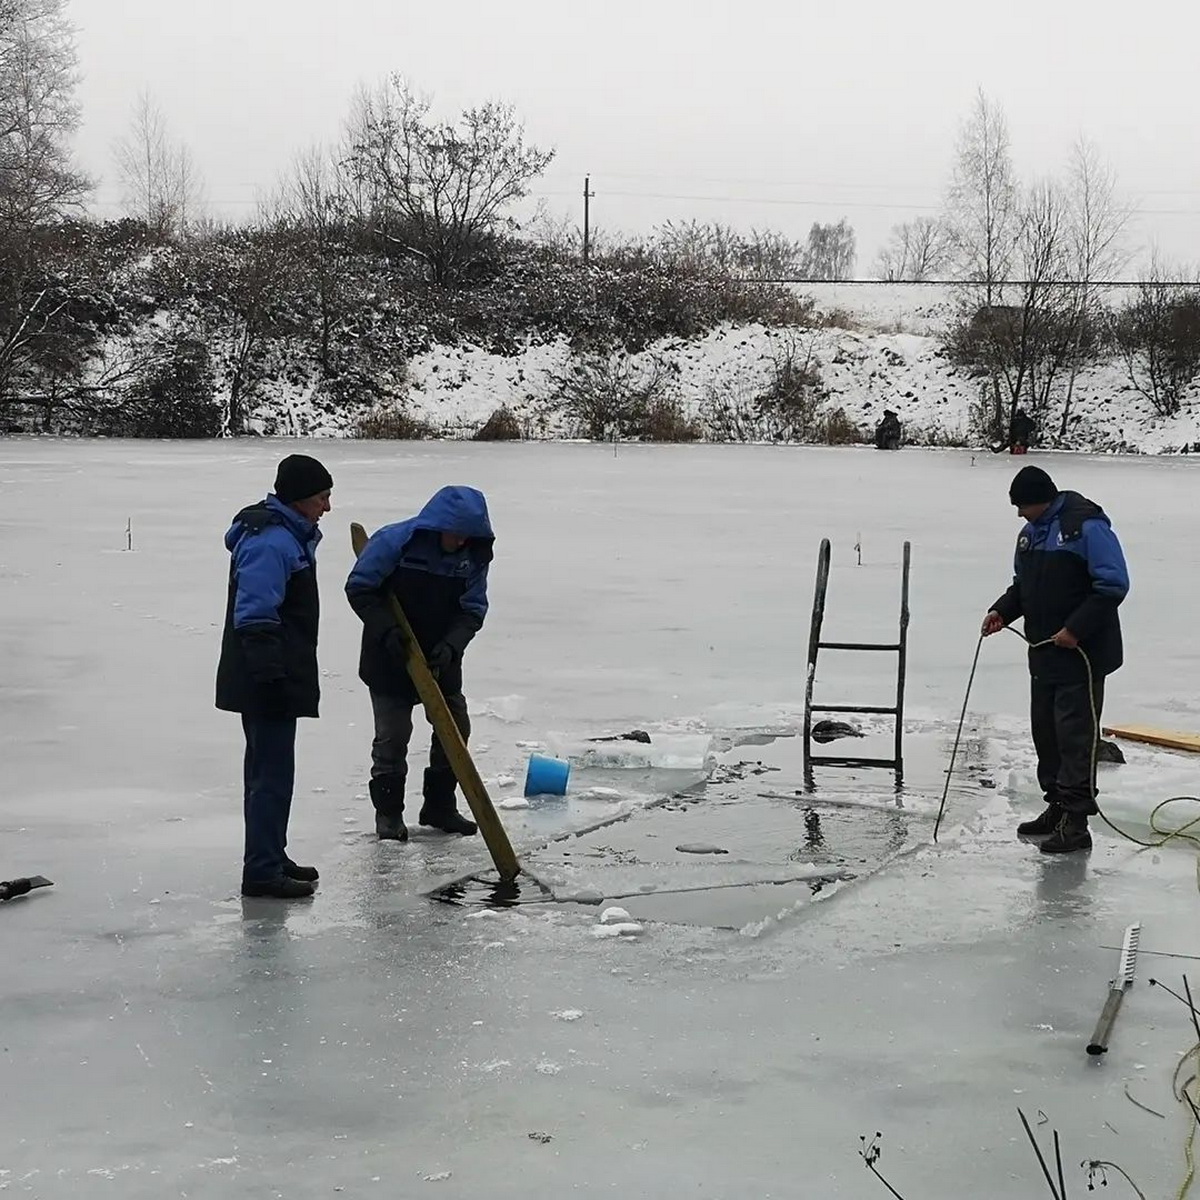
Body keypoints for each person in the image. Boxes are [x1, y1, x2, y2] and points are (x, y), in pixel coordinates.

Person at [982, 466, 1130, 854]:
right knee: (1046, 734)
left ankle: (1076, 825)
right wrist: (1002, 611)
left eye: (1022, 506)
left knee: (1074, 738)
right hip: (1044, 654)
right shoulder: (1030, 534)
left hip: (1082, 655)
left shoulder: (1086, 527)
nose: (1018, 514)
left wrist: (1076, 629)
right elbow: (1023, 586)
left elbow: (1113, 584)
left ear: (1041, 499)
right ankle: (1057, 808)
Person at [345, 486, 494, 841]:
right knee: (392, 738)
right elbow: (360, 588)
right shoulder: (395, 542)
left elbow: (473, 609)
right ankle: (389, 815)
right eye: (454, 533)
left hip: (441, 659)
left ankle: (439, 807)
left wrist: (452, 645)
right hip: (390, 657)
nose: (459, 542)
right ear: (438, 525)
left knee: (455, 730)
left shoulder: (473, 556)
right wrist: (387, 631)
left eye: (466, 536)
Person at [215, 454, 333, 898]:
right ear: (301, 498)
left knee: (268, 772)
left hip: (272, 672)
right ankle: (263, 870)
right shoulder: (271, 542)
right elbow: (256, 613)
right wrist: (270, 675)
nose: (327, 507)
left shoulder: (287, 535)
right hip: (266, 676)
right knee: (271, 775)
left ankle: (270, 854)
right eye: (322, 498)